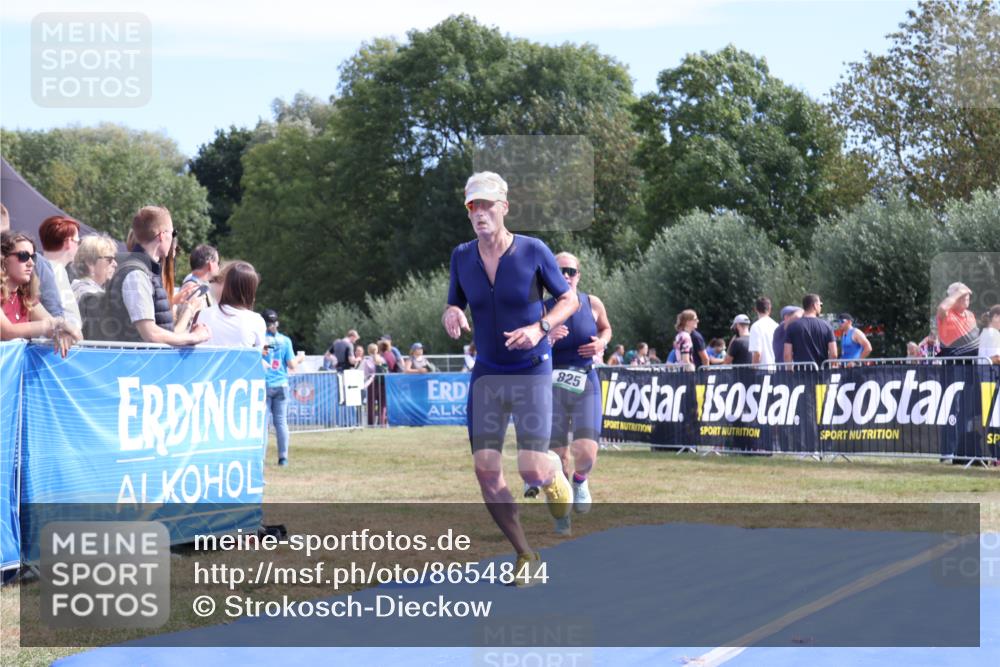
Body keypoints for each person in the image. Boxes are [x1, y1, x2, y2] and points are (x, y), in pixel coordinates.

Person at [442, 171, 577, 585]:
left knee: (531, 470)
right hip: (487, 374)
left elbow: (568, 299)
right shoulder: (461, 256)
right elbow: (455, 301)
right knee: (485, 469)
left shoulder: (533, 250)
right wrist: (451, 312)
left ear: (504, 207)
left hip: (531, 369)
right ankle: (526, 554)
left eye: (486, 205)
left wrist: (540, 327)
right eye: (472, 207)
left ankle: (552, 471)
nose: (479, 213)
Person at [545, 251, 612, 531]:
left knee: (587, 451)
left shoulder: (592, 302)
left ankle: (581, 480)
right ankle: (562, 515)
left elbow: (606, 329)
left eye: (571, 271)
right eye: (559, 271)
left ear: (578, 275)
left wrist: (601, 344)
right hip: (551, 387)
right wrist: (545, 338)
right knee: (558, 456)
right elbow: (525, 344)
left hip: (586, 382)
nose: (566, 276)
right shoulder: (541, 308)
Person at [100, 206, 209, 346]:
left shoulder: (145, 271)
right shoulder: (136, 274)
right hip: (138, 365)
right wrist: (194, 337)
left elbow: (162, 330)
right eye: (173, 232)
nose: (173, 238)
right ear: (162, 235)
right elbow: (151, 334)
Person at [1, 231, 81, 356]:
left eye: (33, 257)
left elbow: (54, 325)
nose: (31, 263)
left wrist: (63, 331)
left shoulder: (25, 297)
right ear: (4, 259)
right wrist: (55, 324)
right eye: (23, 256)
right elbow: (8, 331)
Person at [261, 308, 304, 466]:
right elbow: (292, 364)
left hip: (265, 383)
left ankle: (261, 458)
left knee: (263, 424)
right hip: (281, 384)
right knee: (281, 422)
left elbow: (260, 355)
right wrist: (300, 358)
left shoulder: (261, 340)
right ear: (276, 323)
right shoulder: (285, 340)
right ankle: (283, 458)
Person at [197, 261, 266, 349]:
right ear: (251, 291)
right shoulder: (256, 321)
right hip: (239, 363)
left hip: (207, 362)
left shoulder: (203, 314)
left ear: (227, 285)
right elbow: (261, 353)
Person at [38, 215, 83, 330]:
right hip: (58, 344)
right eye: (77, 241)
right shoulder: (57, 271)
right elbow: (68, 315)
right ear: (68, 242)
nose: (78, 246)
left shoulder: (40, 268)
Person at [784, 294, 837, 365]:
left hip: (800, 373)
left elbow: (787, 354)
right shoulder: (827, 326)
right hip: (822, 373)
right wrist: (830, 368)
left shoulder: (792, 327)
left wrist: (789, 371)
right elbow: (833, 354)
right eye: (820, 305)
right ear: (815, 305)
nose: (821, 307)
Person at [936, 282, 979, 357]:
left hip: (974, 362)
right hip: (955, 364)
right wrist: (959, 292)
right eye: (961, 294)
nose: (966, 296)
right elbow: (942, 308)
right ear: (953, 297)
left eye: (967, 293)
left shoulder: (970, 315)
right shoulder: (947, 314)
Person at [71, 234, 118, 300]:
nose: (115, 264)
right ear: (90, 262)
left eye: (115, 259)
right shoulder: (91, 295)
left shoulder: (76, 288)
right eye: (109, 259)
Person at [748, 297, 779, 365]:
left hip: (763, 368)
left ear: (756, 309)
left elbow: (757, 352)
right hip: (776, 367)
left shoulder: (755, 326)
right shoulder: (776, 325)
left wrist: (754, 367)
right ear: (770, 309)